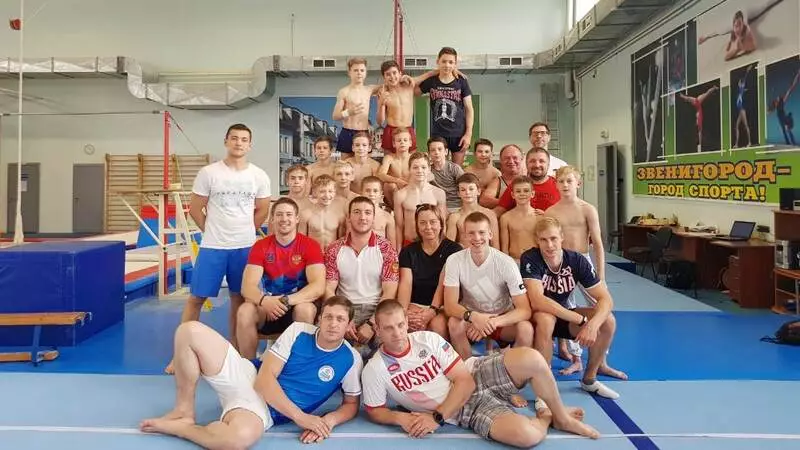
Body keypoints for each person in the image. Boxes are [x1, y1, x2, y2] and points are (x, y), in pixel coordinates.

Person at [361, 300, 600, 448]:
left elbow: (464, 381)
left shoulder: (428, 339)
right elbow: (375, 410)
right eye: (388, 328)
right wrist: (400, 418)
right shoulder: (375, 369)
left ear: (407, 322)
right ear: (377, 330)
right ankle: (546, 417)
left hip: (475, 374)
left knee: (533, 359)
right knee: (527, 437)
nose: (397, 333)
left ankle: (562, 417)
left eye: (400, 325)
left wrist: (436, 418)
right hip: (466, 410)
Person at [140, 296, 363, 448]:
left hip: (262, 410)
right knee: (188, 331)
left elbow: (351, 404)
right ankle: (184, 411)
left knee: (236, 440)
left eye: (340, 319)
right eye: (328, 317)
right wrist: (302, 417)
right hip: (247, 375)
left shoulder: (351, 359)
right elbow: (263, 381)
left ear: (349, 325)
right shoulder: (298, 331)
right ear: (319, 319)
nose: (333, 324)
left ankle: (183, 429)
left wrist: (328, 421)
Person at [166, 123, 271, 374]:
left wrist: (245, 230)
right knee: (196, 298)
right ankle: (180, 355)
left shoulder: (258, 176)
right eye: (234, 138)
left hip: (244, 247)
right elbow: (195, 208)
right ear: (226, 141)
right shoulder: (209, 173)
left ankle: (235, 349)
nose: (238, 143)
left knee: (239, 298)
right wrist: (211, 230)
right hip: (213, 246)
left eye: (244, 139)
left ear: (250, 145)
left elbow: (263, 209)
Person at [521, 217, 625, 399]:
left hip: (563, 316)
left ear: (562, 237)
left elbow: (606, 299)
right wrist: (580, 319)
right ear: (537, 240)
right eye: (543, 240)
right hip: (536, 318)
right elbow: (537, 300)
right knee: (545, 319)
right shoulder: (531, 258)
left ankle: (589, 379)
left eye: (553, 238)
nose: (549, 245)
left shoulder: (576, 260)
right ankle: (543, 389)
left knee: (608, 321)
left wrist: (592, 325)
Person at [237, 198, 325, 359]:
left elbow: (318, 286)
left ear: (297, 219)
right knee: (245, 311)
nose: (284, 219)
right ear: (272, 219)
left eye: (289, 214)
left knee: (305, 309)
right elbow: (247, 287)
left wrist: (285, 301)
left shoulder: (310, 245)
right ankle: (248, 364)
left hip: (296, 304)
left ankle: (300, 363)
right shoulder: (261, 246)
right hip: (268, 307)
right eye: (279, 215)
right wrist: (264, 301)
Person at [544, 167, 609, 376]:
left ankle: (601, 359)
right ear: (556, 184)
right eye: (561, 181)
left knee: (599, 306)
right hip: (561, 263)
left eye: (569, 181)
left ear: (578, 184)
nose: (565, 185)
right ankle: (576, 358)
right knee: (567, 308)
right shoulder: (551, 211)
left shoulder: (587, 209)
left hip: (583, 260)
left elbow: (597, 243)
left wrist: (601, 275)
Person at [443, 212, 533, 361]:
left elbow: (524, 310)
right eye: (471, 233)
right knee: (454, 323)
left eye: (481, 232)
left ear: (490, 234)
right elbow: (450, 305)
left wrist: (491, 322)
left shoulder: (506, 263)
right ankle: (469, 368)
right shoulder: (454, 260)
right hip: (471, 319)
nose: (477, 238)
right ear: (464, 236)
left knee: (526, 329)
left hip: (500, 318)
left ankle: (512, 370)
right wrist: (474, 317)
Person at [325, 196, 399, 345]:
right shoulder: (334, 249)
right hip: (345, 307)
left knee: (389, 344)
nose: (362, 217)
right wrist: (343, 318)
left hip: (377, 308)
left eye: (367, 213)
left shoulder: (386, 249)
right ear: (348, 218)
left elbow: (390, 291)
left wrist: (372, 323)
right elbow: (329, 288)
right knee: (326, 342)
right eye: (357, 212)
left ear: (373, 218)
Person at [397, 203, 461, 338]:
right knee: (410, 323)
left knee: (437, 326)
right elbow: (406, 283)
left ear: (441, 224)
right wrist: (403, 312)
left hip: (442, 306)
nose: (428, 227)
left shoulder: (454, 250)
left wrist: (432, 311)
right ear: (417, 226)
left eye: (433, 222)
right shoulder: (408, 251)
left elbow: (444, 285)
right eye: (423, 223)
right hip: (415, 304)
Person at [416, 47, 474, 166]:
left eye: (451, 62)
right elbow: (413, 90)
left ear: (455, 64)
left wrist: (468, 134)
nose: (447, 65)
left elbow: (469, 109)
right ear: (438, 61)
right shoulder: (432, 81)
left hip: (458, 134)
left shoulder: (461, 81)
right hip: (438, 134)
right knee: (439, 169)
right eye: (444, 61)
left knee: (457, 170)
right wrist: (431, 73)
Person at [394, 152, 448, 248]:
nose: (419, 171)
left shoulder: (439, 193)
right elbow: (399, 226)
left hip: (433, 245)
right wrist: (398, 250)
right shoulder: (400, 195)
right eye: (415, 167)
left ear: (429, 169)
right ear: (409, 169)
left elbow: (442, 224)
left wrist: (441, 248)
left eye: (423, 167)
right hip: (410, 244)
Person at [332, 58, 380, 158]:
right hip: (348, 132)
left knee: (365, 164)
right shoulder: (344, 92)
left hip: (363, 132)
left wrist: (405, 78)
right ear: (349, 72)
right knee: (345, 164)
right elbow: (335, 116)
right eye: (356, 70)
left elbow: (390, 85)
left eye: (362, 70)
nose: (359, 73)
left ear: (366, 72)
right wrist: (348, 112)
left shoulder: (370, 89)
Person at [494, 147, 560, 216]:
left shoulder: (559, 185)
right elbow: (498, 211)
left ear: (548, 164)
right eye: (532, 161)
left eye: (541, 161)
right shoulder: (516, 185)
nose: (537, 165)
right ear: (526, 164)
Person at [446, 173, 499, 249]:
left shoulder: (489, 214)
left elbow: (495, 245)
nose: (467, 193)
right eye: (463, 190)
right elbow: (449, 247)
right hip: (464, 254)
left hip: (485, 254)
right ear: (458, 194)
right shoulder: (455, 217)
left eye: (471, 189)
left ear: (478, 191)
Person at [299, 175, 345, 251]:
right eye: (322, 191)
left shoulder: (339, 215)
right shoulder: (306, 214)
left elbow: (341, 242)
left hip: (332, 254)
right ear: (314, 192)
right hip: (313, 253)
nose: (327, 195)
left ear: (334, 192)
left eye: (330, 191)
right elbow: (301, 240)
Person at [499, 176, 539, 262]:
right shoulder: (505, 218)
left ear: (532, 194)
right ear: (513, 195)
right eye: (518, 191)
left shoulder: (540, 217)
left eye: (526, 191)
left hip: (535, 261)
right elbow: (504, 248)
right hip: (514, 260)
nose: (522, 194)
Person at [479, 144, 524, 209]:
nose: (511, 161)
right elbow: (484, 200)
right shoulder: (497, 182)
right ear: (501, 161)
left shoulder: (530, 179)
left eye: (515, 158)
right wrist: (512, 203)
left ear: (521, 159)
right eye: (507, 158)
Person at [377, 127, 413, 208]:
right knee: (389, 185)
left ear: (410, 143)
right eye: (399, 140)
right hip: (395, 192)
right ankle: (394, 208)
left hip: (410, 190)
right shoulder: (389, 158)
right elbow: (381, 175)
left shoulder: (414, 158)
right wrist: (398, 181)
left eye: (405, 140)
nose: (402, 142)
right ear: (394, 144)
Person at [427, 136, 465, 212]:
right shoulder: (428, 170)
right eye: (433, 150)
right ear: (429, 153)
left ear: (446, 152)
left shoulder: (455, 169)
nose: (436, 152)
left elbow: (465, 186)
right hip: (437, 207)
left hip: (456, 206)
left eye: (440, 149)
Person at [678, 85, 719, 152]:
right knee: (706, 94)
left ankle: (682, 96)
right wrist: (699, 143)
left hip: (697, 104)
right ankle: (714, 88)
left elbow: (699, 129)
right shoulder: (698, 123)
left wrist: (699, 143)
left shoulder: (698, 122)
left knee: (705, 94)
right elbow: (699, 130)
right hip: (697, 105)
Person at [361, 176, 398, 249]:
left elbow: (392, 246)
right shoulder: (354, 215)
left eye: (375, 191)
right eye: (367, 190)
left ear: (381, 193)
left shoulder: (387, 217)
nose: (371, 194)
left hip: (380, 253)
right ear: (361, 192)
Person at [768, 67, 800, 146]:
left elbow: (791, 87)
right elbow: (770, 111)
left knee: (787, 128)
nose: (777, 98)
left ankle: (792, 142)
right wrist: (767, 112)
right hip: (781, 119)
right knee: (785, 130)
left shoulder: (782, 101)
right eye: (777, 98)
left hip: (784, 118)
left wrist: (798, 74)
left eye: (778, 98)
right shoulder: (775, 104)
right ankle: (789, 143)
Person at [733, 64, 755, 148]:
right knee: (736, 126)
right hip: (740, 110)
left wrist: (747, 71)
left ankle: (749, 142)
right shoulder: (739, 91)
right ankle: (736, 144)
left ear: (741, 83)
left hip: (742, 109)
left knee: (746, 125)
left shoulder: (742, 88)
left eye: (740, 82)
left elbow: (744, 79)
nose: (738, 82)